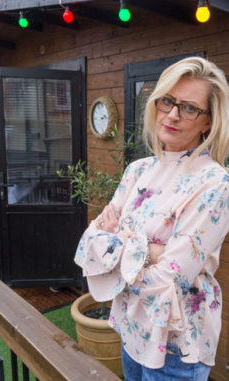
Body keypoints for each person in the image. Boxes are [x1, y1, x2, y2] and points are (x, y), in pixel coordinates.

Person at [74, 56, 229, 380]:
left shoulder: (216, 185)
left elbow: (169, 280)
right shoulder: (138, 170)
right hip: (131, 326)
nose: (172, 114)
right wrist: (153, 251)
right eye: (167, 101)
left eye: (189, 108)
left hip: (178, 345)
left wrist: (124, 242)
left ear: (208, 122)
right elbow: (90, 245)